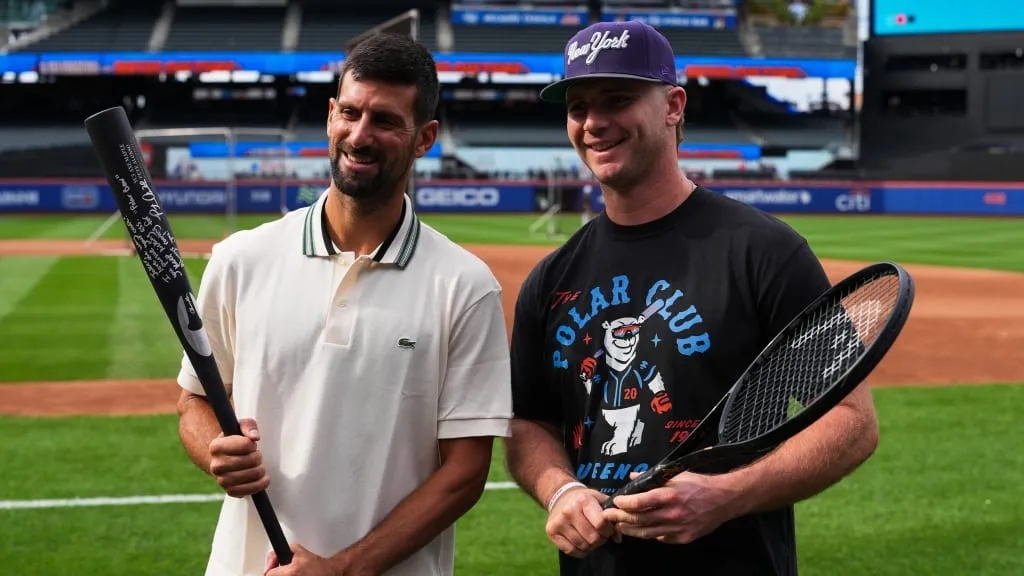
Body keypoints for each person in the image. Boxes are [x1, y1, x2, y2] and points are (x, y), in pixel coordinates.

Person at [503, 20, 880, 576]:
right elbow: (530, 423)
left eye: (618, 99)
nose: (593, 122)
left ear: (673, 107)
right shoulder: (551, 277)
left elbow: (852, 421)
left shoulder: (765, 253)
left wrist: (730, 494)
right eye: (578, 107)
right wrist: (560, 490)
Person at [175, 33, 513, 576]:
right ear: (330, 114)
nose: (359, 135)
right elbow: (194, 400)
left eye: (385, 121)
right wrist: (216, 448)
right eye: (350, 113)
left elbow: (465, 473)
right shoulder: (241, 259)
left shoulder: (466, 286)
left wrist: (343, 569)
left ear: (425, 138)